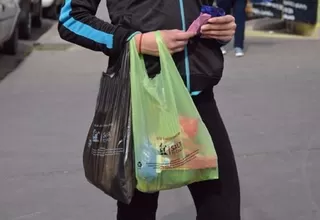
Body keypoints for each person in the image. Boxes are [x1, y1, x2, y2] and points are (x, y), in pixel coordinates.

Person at [58, 0, 241, 219]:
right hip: (142, 98)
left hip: (197, 99)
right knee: (138, 209)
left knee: (222, 208)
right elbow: (71, 19)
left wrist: (220, 29)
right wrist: (135, 41)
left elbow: (197, 10)